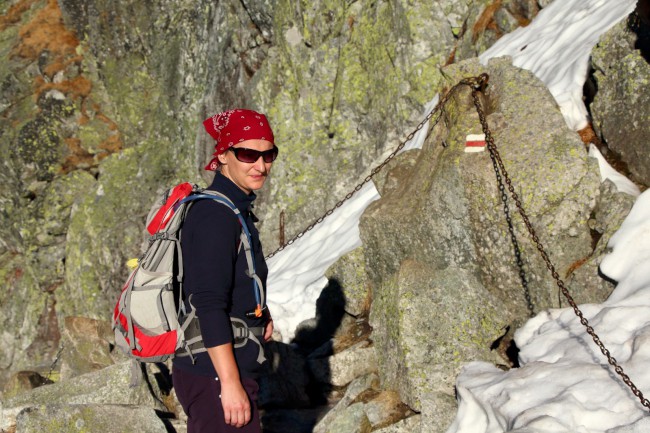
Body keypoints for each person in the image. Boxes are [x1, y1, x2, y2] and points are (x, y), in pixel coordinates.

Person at [172, 108, 277, 432]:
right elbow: (207, 302)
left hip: (222, 369)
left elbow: (232, 278)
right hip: (213, 375)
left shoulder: (234, 209)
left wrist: (260, 312)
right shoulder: (214, 216)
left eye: (268, 154)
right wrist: (229, 385)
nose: (260, 165)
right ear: (223, 155)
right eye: (248, 154)